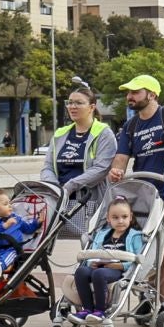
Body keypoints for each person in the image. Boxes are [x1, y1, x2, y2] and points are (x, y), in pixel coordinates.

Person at [107, 72, 164, 317]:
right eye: (128, 92)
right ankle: (148, 296)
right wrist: (117, 170)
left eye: (135, 92)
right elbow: (121, 158)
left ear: (151, 95)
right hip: (142, 196)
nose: (129, 97)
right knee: (142, 250)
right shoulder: (130, 126)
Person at [41, 87, 117, 235]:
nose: (72, 107)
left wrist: (69, 186)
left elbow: (101, 168)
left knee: (91, 242)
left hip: (90, 200)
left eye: (78, 103)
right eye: (70, 103)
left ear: (92, 107)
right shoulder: (60, 133)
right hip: (60, 199)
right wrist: (54, 188)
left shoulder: (103, 133)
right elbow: (47, 167)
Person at [73, 197, 148, 323]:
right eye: (115, 217)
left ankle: (100, 310)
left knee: (99, 274)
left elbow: (137, 259)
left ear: (130, 217)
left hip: (118, 269)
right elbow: (93, 252)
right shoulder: (102, 234)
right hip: (98, 265)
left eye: (124, 217)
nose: (120, 221)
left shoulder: (135, 236)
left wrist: (119, 266)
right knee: (80, 272)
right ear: (108, 219)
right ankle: (87, 309)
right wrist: (92, 262)